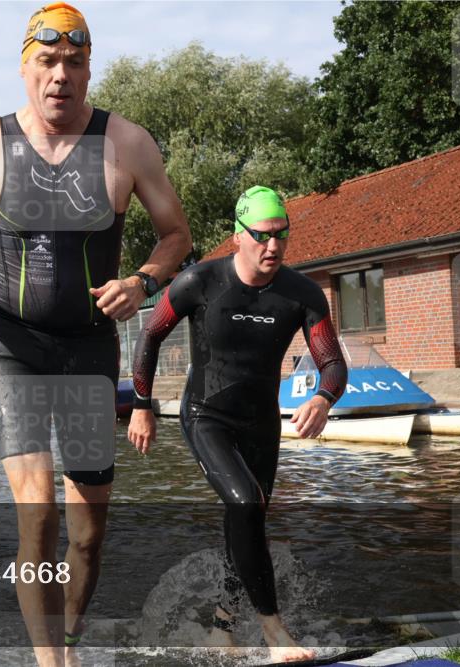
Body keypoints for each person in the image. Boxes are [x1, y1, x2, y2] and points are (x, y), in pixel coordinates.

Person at [0, 4, 192, 663]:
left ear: (89, 69)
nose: (60, 75)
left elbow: (175, 234)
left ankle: (69, 632)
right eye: (47, 61)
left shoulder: (127, 144)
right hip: (13, 344)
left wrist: (145, 282)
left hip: (90, 348)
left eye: (73, 61)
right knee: (36, 511)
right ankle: (51, 661)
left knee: (89, 534)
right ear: (24, 68)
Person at [127, 185, 348, 663]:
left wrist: (323, 397)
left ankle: (222, 628)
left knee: (247, 518)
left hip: (261, 423)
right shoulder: (199, 282)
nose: (274, 246)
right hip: (206, 415)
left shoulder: (302, 294)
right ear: (237, 237)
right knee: (247, 502)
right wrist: (142, 405)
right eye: (263, 235)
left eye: (281, 235)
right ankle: (274, 633)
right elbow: (149, 337)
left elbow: (332, 362)